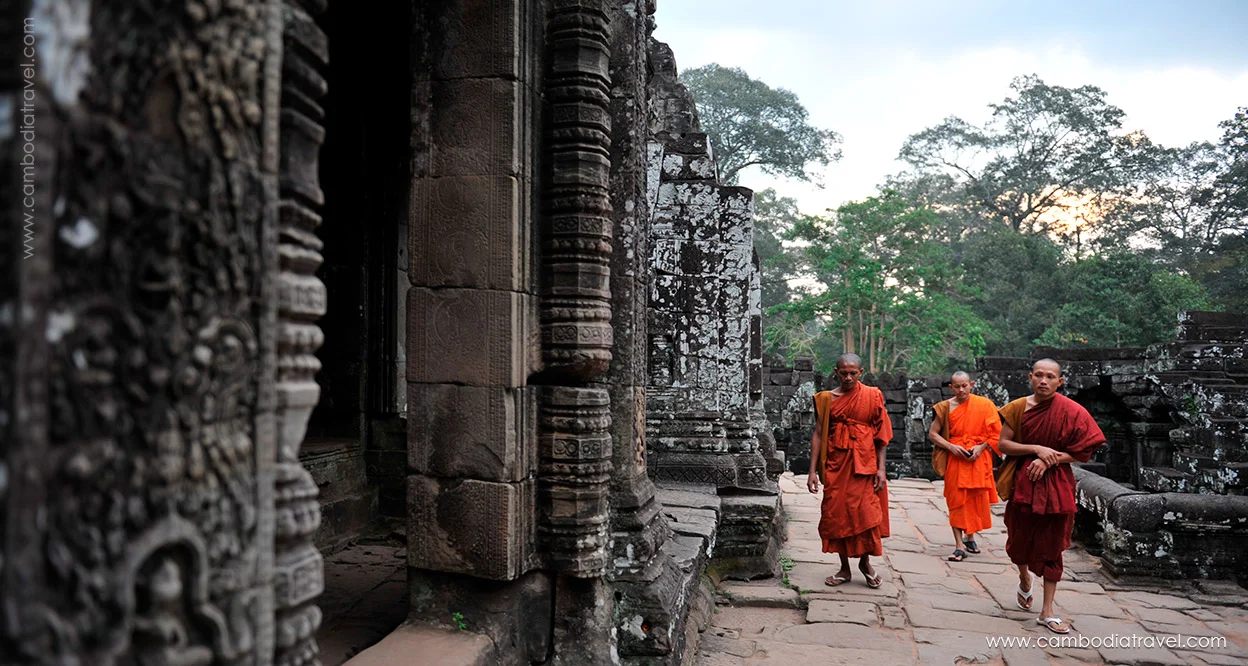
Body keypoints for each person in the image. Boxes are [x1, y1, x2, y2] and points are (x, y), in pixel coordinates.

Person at [997, 359, 1105, 635]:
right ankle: (1024, 579)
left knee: (1053, 545)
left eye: (1050, 377)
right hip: (1025, 483)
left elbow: (1084, 452)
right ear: (1031, 377)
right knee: (1018, 540)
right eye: (1039, 376)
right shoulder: (1017, 408)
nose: (1044, 381)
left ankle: (1047, 611)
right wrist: (1037, 449)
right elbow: (1004, 444)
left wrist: (1050, 460)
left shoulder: (1071, 411)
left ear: (1060, 381)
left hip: (1056, 485)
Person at [806, 353, 892, 589]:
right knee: (837, 514)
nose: (848, 377)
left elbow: (881, 435)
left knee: (865, 514)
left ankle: (865, 564)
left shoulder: (872, 396)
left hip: (865, 464)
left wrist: (881, 469)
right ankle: (844, 568)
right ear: (836, 372)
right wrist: (812, 471)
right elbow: (818, 433)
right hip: (836, 464)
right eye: (843, 372)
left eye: (853, 373)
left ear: (861, 372)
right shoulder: (826, 399)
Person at [928, 371, 1001, 562]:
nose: (961, 390)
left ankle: (970, 537)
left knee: (975, 499)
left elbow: (995, 433)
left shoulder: (985, 405)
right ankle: (959, 546)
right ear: (951, 388)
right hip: (956, 459)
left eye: (964, 385)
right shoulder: (945, 408)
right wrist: (951, 447)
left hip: (978, 458)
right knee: (956, 500)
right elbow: (933, 434)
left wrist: (981, 447)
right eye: (957, 386)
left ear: (972, 384)